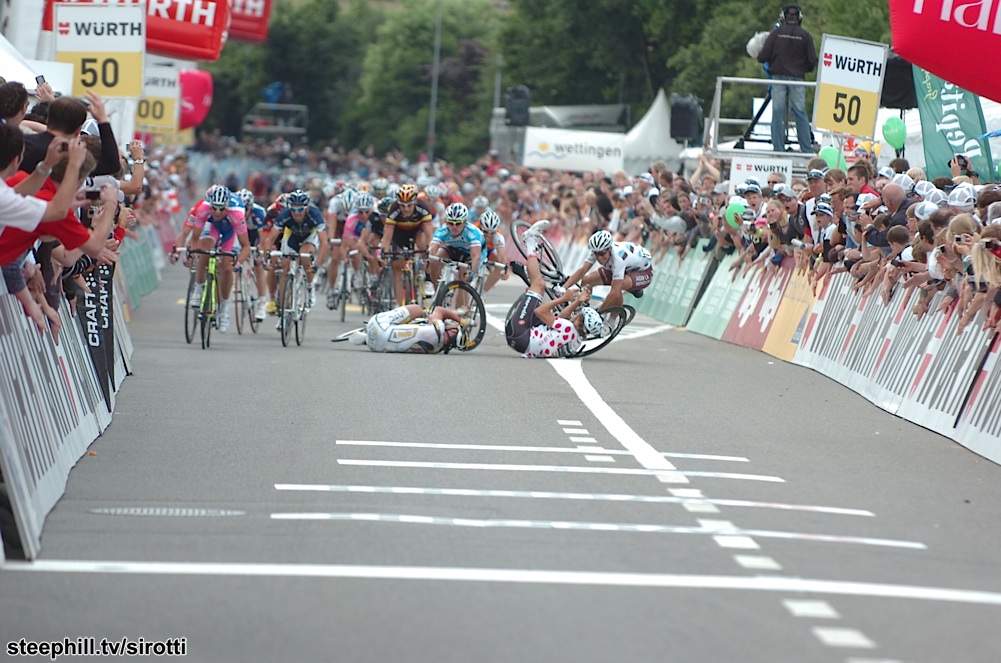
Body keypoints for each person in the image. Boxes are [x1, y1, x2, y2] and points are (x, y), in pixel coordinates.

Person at [505, 220, 603, 358]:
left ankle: (530, 241)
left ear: (580, 323)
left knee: (539, 285)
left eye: (579, 315)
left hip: (519, 332)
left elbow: (540, 312)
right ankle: (530, 279)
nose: (576, 314)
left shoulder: (569, 327)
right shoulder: (577, 342)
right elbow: (560, 319)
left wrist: (564, 298)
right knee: (539, 294)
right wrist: (576, 302)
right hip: (522, 341)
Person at [171, 185, 251, 333]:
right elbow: (195, 238)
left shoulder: (237, 212)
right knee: (205, 248)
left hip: (230, 230)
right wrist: (192, 254)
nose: (217, 212)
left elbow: (246, 246)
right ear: (210, 204)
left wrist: (238, 263)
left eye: (221, 209)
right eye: (214, 208)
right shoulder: (203, 208)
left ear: (227, 206)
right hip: (212, 227)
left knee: (227, 267)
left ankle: (224, 308)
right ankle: (199, 287)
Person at [757, 3, 817, 153]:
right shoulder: (805, 35)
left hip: (778, 78)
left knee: (777, 112)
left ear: (783, 17)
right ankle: (806, 149)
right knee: (800, 112)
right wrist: (802, 69)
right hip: (797, 78)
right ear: (799, 18)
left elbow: (762, 57)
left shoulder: (775, 34)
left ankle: (778, 148)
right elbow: (811, 61)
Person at [561, 229, 654, 311]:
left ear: (609, 249)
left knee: (617, 288)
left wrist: (598, 313)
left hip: (642, 272)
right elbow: (583, 269)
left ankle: (611, 321)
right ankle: (583, 308)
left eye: (602, 254)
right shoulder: (598, 250)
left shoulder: (618, 258)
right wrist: (563, 288)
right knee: (586, 280)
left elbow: (614, 292)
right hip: (626, 267)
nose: (599, 257)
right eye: (596, 254)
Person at [349, 304, 470, 354]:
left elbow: (438, 310)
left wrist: (461, 320)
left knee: (418, 309)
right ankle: (366, 339)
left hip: (377, 326)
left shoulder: (438, 330)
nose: (451, 324)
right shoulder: (437, 348)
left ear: (453, 331)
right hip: (377, 347)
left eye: (455, 326)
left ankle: (370, 331)